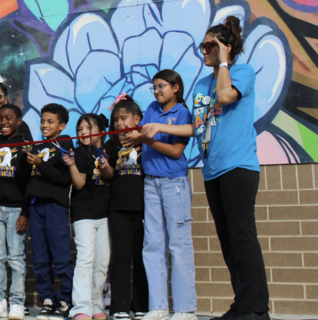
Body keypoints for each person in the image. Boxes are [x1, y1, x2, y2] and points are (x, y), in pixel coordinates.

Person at [143, 16, 269, 320]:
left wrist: (224, 62)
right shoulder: (202, 84)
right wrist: (158, 125)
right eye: (202, 45)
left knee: (242, 236)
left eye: (210, 45)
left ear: (226, 47)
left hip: (238, 167)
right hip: (213, 171)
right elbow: (197, 128)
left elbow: (226, 97)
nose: (203, 50)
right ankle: (242, 303)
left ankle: (256, 309)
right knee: (227, 240)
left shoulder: (242, 72)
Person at [128, 70, 196, 320]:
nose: (156, 91)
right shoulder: (151, 110)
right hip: (151, 183)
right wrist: (136, 138)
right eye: (153, 87)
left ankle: (185, 309)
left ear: (176, 88)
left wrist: (147, 139)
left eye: (161, 86)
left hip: (173, 183)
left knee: (179, 245)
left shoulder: (183, 113)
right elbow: (142, 139)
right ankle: (158, 306)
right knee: (153, 244)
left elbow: (176, 152)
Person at [0, 104, 32, 320]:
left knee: (16, 258)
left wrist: (25, 212)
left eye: (9, 118)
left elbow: (30, 182)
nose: (3, 122)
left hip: (16, 209)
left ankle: (17, 303)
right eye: (0, 119)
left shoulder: (25, 146)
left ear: (19, 121)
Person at [25, 103, 73, 320]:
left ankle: (65, 298)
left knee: (61, 255)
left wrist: (41, 164)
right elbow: (30, 181)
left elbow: (64, 178)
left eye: (50, 121)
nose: (44, 125)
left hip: (55, 208)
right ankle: (47, 298)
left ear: (61, 125)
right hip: (36, 207)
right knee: (40, 256)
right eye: (43, 121)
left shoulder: (64, 143)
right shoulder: (36, 146)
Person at [64, 114, 112, 320]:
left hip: (105, 214)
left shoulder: (108, 150)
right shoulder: (81, 153)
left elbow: (110, 175)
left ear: (100, 131)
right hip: (84, 215)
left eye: (88, 128)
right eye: (80, 129)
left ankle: (96, 304)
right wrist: (72, 164)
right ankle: (81, 308)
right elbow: (80, 184)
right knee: (85, 260)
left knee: (102, 262)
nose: (83, 132)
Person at [105, 95, 148, 320]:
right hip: (117, 209)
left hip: (143, 208)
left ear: (136, 119)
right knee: (120, 257)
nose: (119, 124)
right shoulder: (111, 145)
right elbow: (109, 174)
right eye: (115, 120)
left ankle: (141, 305)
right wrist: (103, 166)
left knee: (141, 257)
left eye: (124, 118)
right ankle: (119, 306)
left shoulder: (146, 143)